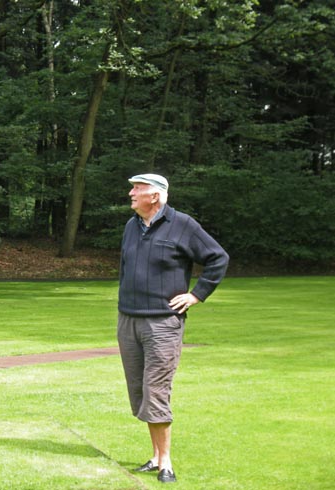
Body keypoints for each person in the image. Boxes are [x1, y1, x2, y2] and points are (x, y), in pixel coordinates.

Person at [117, 173, 228, 483]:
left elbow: (218, 258)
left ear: (155, 196)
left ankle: (166, 461)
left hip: (162, 323)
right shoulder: (131, 226)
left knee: (156, 391)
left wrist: (196, 294)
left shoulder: (183, 224)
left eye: (137, 189)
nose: (131, 193)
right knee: (139, 392)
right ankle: (154, 457)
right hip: (128, 319)